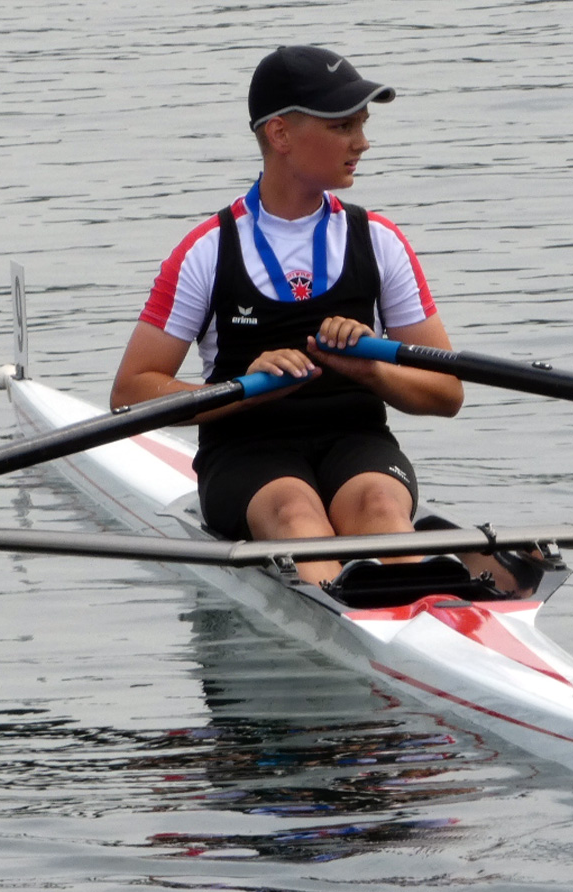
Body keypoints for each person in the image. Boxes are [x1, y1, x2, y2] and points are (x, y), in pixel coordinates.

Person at [110, 44, 463, 585]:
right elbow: (130, 393)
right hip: (246, 452)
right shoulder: (206, 251)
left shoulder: (379, 241)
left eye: (362, 125)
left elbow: (447, 392)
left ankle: (429, 618)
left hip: (357, 441)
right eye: (344, 126)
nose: (362, 143)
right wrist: (246, 387)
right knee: (297, 513)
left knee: (380, 508)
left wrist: (373, 370)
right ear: (280, 135)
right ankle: (352, 617)